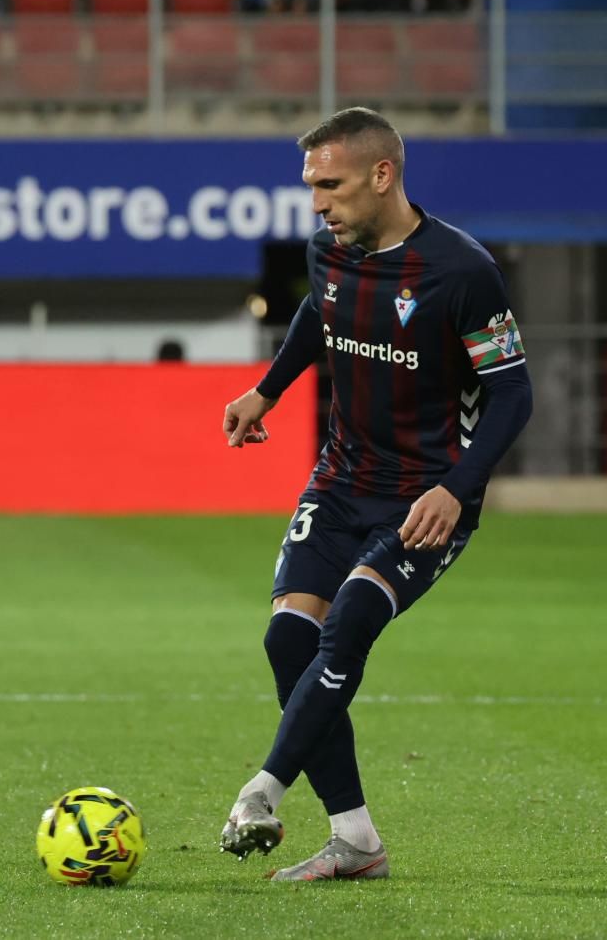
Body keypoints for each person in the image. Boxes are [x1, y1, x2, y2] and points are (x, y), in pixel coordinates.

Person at [218, 107, 532, 882]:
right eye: (311, 186)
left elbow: (514, 395)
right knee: (286, 640)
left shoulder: (462, 271)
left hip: (426, 498)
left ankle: (262, 789)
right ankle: (355, 838)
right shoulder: (330, 249)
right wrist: (267, 389)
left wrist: (459, 490)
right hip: (342, 478)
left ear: (382, 174)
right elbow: (313, 315)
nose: (317, 203)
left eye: (330, 184)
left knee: (353, 614)